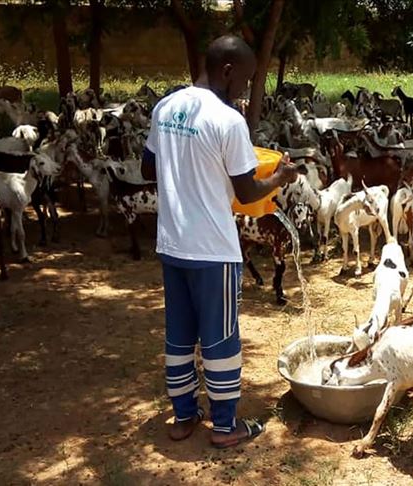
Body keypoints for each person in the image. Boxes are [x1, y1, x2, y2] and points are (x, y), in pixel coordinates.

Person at [141, 35, 298, 448]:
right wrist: (281, 176)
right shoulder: (228, 121)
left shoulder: (167, 107)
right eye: (244, 81)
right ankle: (226, 426)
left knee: (178, 335)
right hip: (213, 249)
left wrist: (187, 176)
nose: (244, 91)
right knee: (220, 338)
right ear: (227, 71)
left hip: (172, 244)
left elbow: (146, 167)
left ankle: (183, 416)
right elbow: (247, 194)